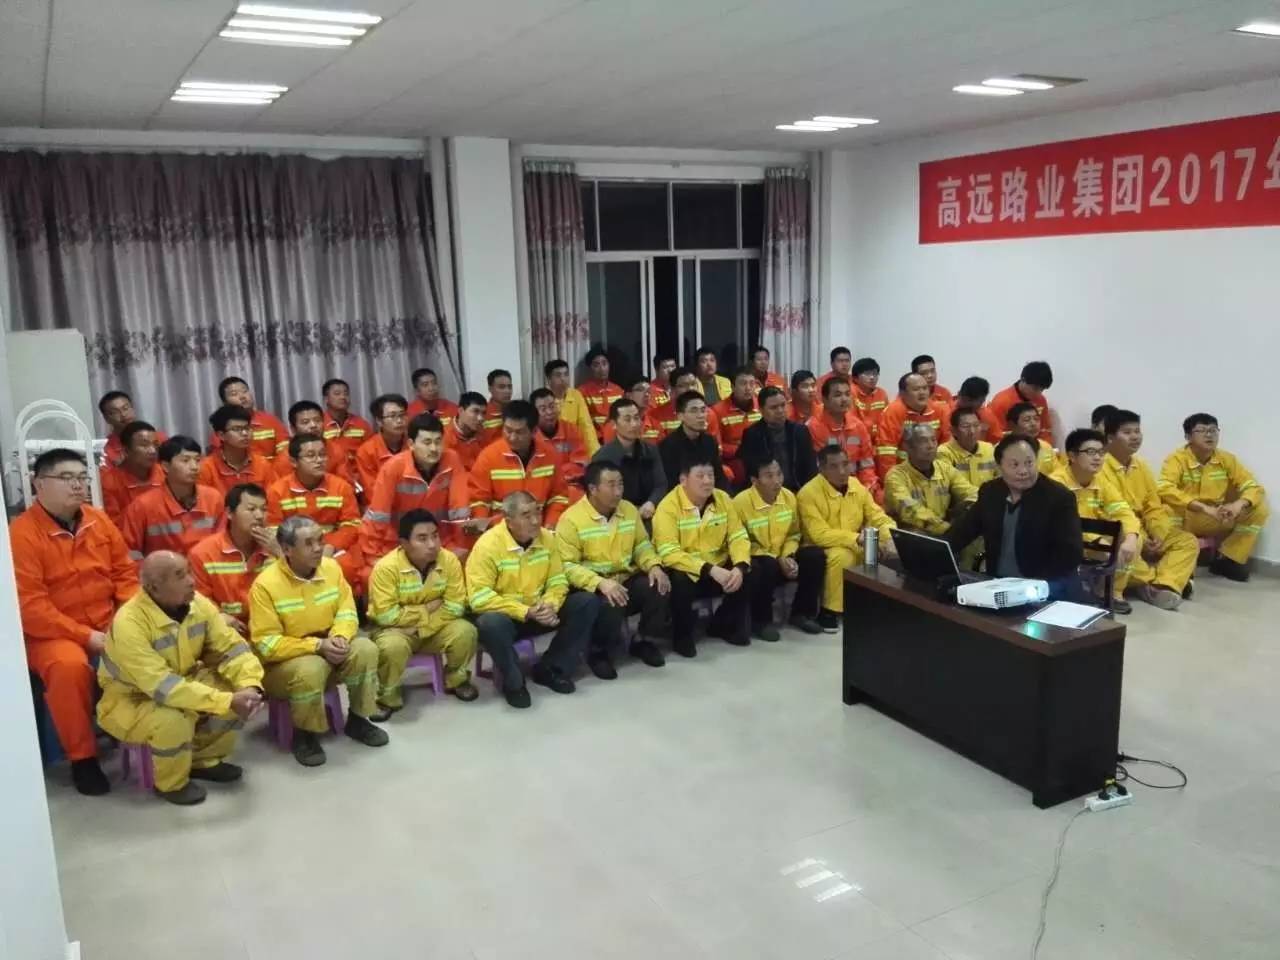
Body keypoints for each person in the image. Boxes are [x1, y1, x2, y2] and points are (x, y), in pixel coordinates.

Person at [13, 448, 138, 796]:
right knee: (69, 668)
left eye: (82, 477)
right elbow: (31, 606)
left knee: (150, 644)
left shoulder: (99, 520)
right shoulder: (21, 534)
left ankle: (144, 733)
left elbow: (125, 574)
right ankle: (83, 758)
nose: (78, 485)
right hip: (51, 632)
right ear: (38, 484)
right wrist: (86, 636)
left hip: (107, 619)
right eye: (66, 478)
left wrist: (127, 618)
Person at [97, 552, 265, 805]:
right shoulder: (129, 623)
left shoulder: (199, 604)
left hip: (182, 679)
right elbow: (162, 686)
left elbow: (232, 648)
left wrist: (249, 685)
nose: (191, 581)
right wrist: (226, 701)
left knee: (234, 690)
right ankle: (171, 784)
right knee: (173, 718)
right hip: (130, 699)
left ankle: (202, 760)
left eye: (189, 571)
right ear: (154, 587)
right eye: (180, 576)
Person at [249, 516, 388, 766]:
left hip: (329, 647)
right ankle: (304, 734)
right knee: (311, 668)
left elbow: (347, 611)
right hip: (284, 666)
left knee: (365, 648)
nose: (318, 548)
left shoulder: (332, 568)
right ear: (287, 549)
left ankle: (358, 720)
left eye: (320, 541)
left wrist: (340, 637)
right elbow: (266, 644)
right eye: (308, 543)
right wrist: (316, 646)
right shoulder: (265, 585)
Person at [466, 491, 599, 707]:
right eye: (526, 515)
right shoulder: (487, 546)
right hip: (509, 617)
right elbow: (479, 597)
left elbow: (558, 580)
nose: (536, 520)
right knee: (490, 623)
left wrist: (550, 604)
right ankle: (514, 683)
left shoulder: (547, 538)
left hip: (539, 612)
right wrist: (524, 611)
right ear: (508, 521)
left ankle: (551, 668)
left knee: (586, 602)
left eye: (538, 512)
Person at [558, 461, 670, 677]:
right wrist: (600, 583)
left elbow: (641, 545)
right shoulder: (571, 519)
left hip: (625, 577)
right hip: (593, 584)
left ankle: (643, 640)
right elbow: (567, 566)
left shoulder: (628, 510)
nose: (618, 491)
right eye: (611, 485)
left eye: (620, 484)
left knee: (659, 584)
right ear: (593, 489)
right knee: (610, 600)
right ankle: (598, 652)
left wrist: (654, 565)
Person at [367, 509, 479, 717]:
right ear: (404, 543)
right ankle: (387, 698)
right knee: (392, 647)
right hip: (394, 631)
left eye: (435, 536)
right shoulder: (385, 568)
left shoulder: (449, 560)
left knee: (466, 631)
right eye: (422, 538)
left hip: (428, 628)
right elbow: (386, 616)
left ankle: (457, 681)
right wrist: (427, 608)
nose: (432, 544)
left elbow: (455, 607)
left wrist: (420, 628)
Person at [945, 435, 1084, 598]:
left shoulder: (1058, 497)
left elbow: (1070, 553)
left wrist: (1032, 586)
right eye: (1014, 465)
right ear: (999, 466)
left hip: (1045, 587)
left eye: (1029, 463)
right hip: (998, 586)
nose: (1023, 471)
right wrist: (938, 552)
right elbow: (963, 531)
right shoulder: (991, 492)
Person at [653, 456, 753, 656]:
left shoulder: (723, 499)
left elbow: (738, 535)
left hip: (718, 566)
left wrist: (739, 566)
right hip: (688, 569)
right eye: (700, 476)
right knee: (679, 580)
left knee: (751, 571)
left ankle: (721, 623)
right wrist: (708, 569)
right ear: (683, 480)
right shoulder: (668, 507)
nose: (707, 481)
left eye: (711, 475)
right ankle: (682, 636)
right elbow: (668, 552)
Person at [1101, 410, 1198, 609]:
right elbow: (1109, 512)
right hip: (1119, 530)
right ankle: (1161, 581)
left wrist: (1158, 532)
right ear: (1110, 438)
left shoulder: (1141, 466)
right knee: (1128, 552)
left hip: (1144, 529)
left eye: (1137, 431)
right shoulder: (1100, 466)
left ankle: (1160, 584)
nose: (1135, 437)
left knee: (1187, 541)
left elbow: (1153, 506)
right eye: (1127, 432)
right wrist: (1139, 536)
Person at [797, 447, 897, 632]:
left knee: (878, 548)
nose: (842, 471)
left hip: (854, 541)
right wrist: (857, 538)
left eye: (845, 464)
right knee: (842, 556)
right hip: (820, 545)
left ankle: (869, 605)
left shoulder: (856, 485)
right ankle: (830, 611)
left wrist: (890, 536)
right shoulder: (808, 493)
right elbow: (819, 534)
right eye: (834, 466)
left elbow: (877, 516)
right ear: (822, 469)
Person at [1159, 413, 1269, 582]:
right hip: (1185, 516)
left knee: (1258, 508)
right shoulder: (1176, 459)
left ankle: (1228, 559)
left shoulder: (1227, 459)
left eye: (1213, 430)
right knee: (1166, 510)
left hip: (1215, 516)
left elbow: (1253, 486)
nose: (1209, 435)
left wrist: (1238, 504)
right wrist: (1202, 507)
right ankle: (1174, 564)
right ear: (1188, 437)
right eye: (1202, 431)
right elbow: (1165, 488)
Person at [360, 414, 473, 573]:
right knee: (370, 574)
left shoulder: (452, 460)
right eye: (427, 442)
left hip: (440, 539)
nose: (434, 448)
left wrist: (461, 547)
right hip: (399, 541)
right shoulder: (393, 468)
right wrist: (374, 556)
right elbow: (378, 517)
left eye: (438, 441)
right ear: (411, 444)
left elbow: (460, 512)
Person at [1051, 429, 1142, 612]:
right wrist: (1098, 541)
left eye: (1101, 452)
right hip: (1065, 542)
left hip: (1094, 539)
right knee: (1113, 548)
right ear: (1072, 456)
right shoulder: (1057, 483)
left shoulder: (1100, 481)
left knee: (1135, 539)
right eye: (1091, 452)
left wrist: (1131, 537)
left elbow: (1122, 510)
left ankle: (1110, 591)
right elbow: (1064, 525)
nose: (1098, 458)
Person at [732, 458, 825, 636]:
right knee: (767, 565)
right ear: (754, 480)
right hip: (758, 559)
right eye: (769, 476)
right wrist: (776, 559)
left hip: (783, 555)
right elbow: (740, 542)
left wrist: (787, 556)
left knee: (814, 556)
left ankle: (801, 613)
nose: (777, 481)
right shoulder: (740, 503)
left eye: (779, 474)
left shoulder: (788, 497)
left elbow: (794, 534)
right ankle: (761, 621)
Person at [267, 434, 364, 586]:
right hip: (294, 549)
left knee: (347, 566)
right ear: (293, 462)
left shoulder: (341, 487)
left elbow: (352, 525)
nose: (319, 460)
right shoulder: (277, 491)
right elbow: (274, 530)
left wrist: (331, 546)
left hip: (331, 547)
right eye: (311, 456)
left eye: (323, 454)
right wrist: (299, 551)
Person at [469, 400, 572, 530]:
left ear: (534, 431)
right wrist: (484, 527)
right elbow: (478, 500)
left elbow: (559, 497)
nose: (512, 437)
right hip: (501, 532)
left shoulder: (550, 455)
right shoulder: (488, 457)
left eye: (519, 432)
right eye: (508, 430)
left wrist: (550, 523)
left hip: (539, 529)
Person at [121, 436, 223, 561]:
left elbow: (223, 542)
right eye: (185, 460)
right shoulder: (142, 505)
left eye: (197, 460)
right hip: (164, 572)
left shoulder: (213, 498)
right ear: (166, 466)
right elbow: (129, 552)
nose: (194, 467)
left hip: (207, 569)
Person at [189, 483, 276, 628]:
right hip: (225, 632)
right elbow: (199, 600)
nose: (260, 516)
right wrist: (218, 616)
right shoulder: (202, 553)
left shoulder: (278, 546)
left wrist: (281, 555)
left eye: (264, 509)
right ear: (229, 513)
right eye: (251, 509)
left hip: (272, 628)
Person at [884, 424, 978, 535]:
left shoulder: (944, 469)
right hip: (912, 534)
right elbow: (911, 511)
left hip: (945, 531)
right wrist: (947, 529)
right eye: (923, 441)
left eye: (933, 440)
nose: (931, 446)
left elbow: (971, 492)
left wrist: (968, 505)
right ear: (907, 447)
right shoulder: (896, 476)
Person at [592, 398, 667, 519]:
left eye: (636, 418)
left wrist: (651, 502)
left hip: (650, 512)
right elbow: (602, 496)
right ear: (614, 424)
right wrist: (631, 512)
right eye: (627, 419)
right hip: (617, 516)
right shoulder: (603, 457)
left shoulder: (651, 450)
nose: (634, 424)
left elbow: (661, 484)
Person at [805, 377, 879, 499]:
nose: (844, 399)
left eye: (847, 394)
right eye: (838, 395)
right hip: (827, 489)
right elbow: (818, 471)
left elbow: (867, 465)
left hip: (857, 486)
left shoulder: (858, 426)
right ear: (825, 400)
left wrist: (867, 485)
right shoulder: (813, 427)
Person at [738, 386, 816, 493]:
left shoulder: (800, 431)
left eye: (783, 405)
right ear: (761, 410)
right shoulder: (752, 434)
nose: (780, 411)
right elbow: (752, 473)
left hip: (798, 490)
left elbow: (810, 468)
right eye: (773, 407)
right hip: (765, 492)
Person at [876, 373, 951, 480]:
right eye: (916, 389)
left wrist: (943, 476)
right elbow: (886, 452)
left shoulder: (941, 409)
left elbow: (946, 448)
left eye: (925, 388)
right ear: (902, 393)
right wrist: (891, 480)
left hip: (935, 472)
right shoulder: (892, 412)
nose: (922, 393)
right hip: (903, 473)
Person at [659, 391, 730, 493]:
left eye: (703, 410)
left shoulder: (710, 441)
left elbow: (719, 477)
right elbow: (671, 485)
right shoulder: (668, 446)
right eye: (694, 411)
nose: (700, 415)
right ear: (680, 416)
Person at [197, 404, 275, 496]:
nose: (245, 433)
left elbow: (272, 499)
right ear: (221, 435)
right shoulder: (206, 468)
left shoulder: (262, 465)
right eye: (237, 429)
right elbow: (204, 501)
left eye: (247, 428)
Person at [100, 420, 163, 525]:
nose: (153, 450)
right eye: (144, 445)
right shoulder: (109, 482)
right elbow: (112, 524)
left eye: (155, 445)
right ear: (126, 451)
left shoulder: (165, 474)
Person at [211, 376, 289, 459]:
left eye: (245, 391)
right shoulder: (222, 428)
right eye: (234, 394)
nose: (242, 396)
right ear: (225, 403)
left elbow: (286, 451)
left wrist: (271, 467)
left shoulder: (270, 420)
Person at [531, 387, 590, 495]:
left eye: (552, 406)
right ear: (534, 413)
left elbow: (580, 464)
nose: (549, 412)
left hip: (570, 486)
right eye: (543, 409)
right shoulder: (530, 436)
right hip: (541, 490)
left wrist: (554, 474)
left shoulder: (571, 430)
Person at [274, 400, 349, 483]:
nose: (313, 425)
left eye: (317, 420)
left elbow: (346, 483)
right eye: (305, 422)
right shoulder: (285, 459)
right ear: (293, 429)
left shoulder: (336, 450)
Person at [713, 368, 762, 485]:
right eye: (743, 383)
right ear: (733, 387)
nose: (748, 388)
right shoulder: (717, 410)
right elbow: (716, 446)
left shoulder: (762, 406)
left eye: (752, 383)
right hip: (732, 461)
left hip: (760, 459)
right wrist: (741, 449)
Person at [988, 361, 1054, 443]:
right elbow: (997, 436)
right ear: (1023, 380)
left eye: (1042, 389)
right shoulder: (1001, 402)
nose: (1038, 393)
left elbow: (1045, 430)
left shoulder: (1041, 399)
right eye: (1035, 388)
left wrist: (1046, 447)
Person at [355, 393, 409, 494]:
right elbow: (371, 491)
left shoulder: (415, 445)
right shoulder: (366, 451)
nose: (399, 420)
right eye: (392, 416)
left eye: (402, 415)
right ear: (379, 421)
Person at [99, 390, 166, 470]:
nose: (123, 414)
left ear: (133, 409)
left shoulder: (157, 437)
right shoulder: (105, 450)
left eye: (125, 408)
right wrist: (120, 468)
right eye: (115, 412)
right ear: (106, 418)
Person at [544, 358, 600, 455]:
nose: (563, 379)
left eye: (566, 374)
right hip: (551, 448)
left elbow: (586, 425)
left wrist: (595, 453)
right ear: (549, 380)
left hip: (574, 446)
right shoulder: (543, 398)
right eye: (558, 375)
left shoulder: (576, 395)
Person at [321, 378, 372, 481]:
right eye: (337, 394)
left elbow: (371, 454)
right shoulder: (319, 425)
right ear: (326, 399)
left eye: (346, 394)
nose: (343, 397)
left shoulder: (361, 424)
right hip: (329, 479)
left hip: (359, 478)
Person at [655, 368, 724, 441]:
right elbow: (656, 446)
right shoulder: (656, 415)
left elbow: (715, 445)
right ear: (672, 389)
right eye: (683, 385)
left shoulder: (709, 414)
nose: (690, 389)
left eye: (693, 384)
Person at [938, 407, 998, 488]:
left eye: (976, 425)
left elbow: (999, 477)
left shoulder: (989, 449)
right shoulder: (944, 452)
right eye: (966, 426)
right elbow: (952, 484)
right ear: (953, 431)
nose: (972, 431)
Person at [579, 347, 625, 441]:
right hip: (594, 440)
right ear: (590, 368)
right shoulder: (582, 392)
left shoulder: (618, 390)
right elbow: (583, 422)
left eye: (604, 363)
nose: (602, 369)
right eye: (596, 365)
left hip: (617, 439)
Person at [601, 377, 662, 443]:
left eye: (649, 391)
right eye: (640, 390)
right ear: (628, 395)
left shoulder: (655, 424)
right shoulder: (614, 426)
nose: (646, 394)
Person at [1004, 402, 1057, 475]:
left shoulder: (1046, 447)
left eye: (1036, 419)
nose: (1033, 424)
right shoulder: (1002, 450)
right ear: (1012, 425)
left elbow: (1057, 473)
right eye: (1027, 420)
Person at [443, 391, 489, 472]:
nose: (481, 418)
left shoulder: (484, 434)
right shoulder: (444, 437)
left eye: (483, 413)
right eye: (475, 411)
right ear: (461, 411)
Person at [850, 357, 888, 436]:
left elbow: (886, 419)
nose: (872, 377)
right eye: (867, 374)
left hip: (877, 438)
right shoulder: (850, 392)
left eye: (875, 374)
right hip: (855, 437)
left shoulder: (881, 393)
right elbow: (850, 421)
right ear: (855, 378)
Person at [481, 369, 515, 444]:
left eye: (509, 387)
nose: (507, 391)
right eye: (501, 387)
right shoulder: (482, 414)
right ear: (490, 389)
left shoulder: (517, 410)